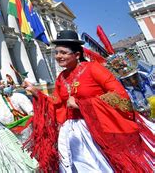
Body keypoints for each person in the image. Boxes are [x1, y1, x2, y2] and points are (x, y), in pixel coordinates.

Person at [24, 29, 152, 172]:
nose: (58, 56)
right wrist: (36, 92)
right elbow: (57, 104)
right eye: (57, 53)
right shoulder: (61, 78)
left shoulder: (93, 69)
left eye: (63, 52)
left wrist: (81, 104)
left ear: (77, 54)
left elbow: (121, 98)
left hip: (104, 128)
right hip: (78, 135)